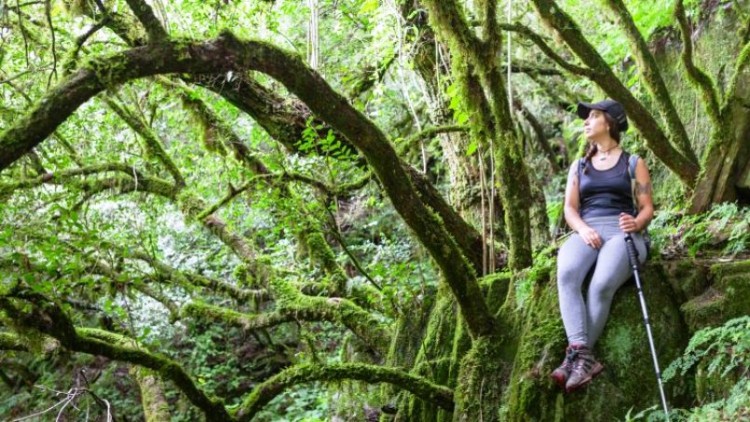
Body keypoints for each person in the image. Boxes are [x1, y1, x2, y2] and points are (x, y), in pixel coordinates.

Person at [550, 99, 654, 392]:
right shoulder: (579, 165)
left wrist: (637, 223)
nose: (586, 121)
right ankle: (582, 355)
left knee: (600, 285)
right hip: (587, 230)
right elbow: (570, 209)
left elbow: (646, 207)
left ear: (609, 122)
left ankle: (574, 361)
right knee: (568, 273)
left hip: (622, 231)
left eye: (593, 116)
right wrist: (583, 229)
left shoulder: (634, 162)